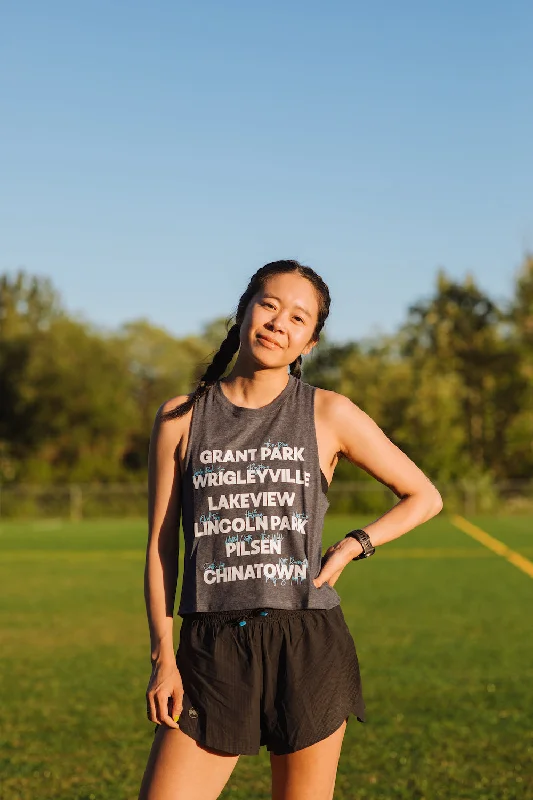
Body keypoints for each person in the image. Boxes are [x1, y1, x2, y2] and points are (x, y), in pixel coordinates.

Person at [138, 260, 443, 800]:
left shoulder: (328, 413)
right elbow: (163, 544)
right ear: (244, 311)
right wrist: (165, 657)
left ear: (310, 342)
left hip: (308, 644)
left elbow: (424, 496)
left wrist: (354, 545)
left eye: (299, 318)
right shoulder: (181, 417)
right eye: (270, 305)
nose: (280, 322)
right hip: (210, 647)